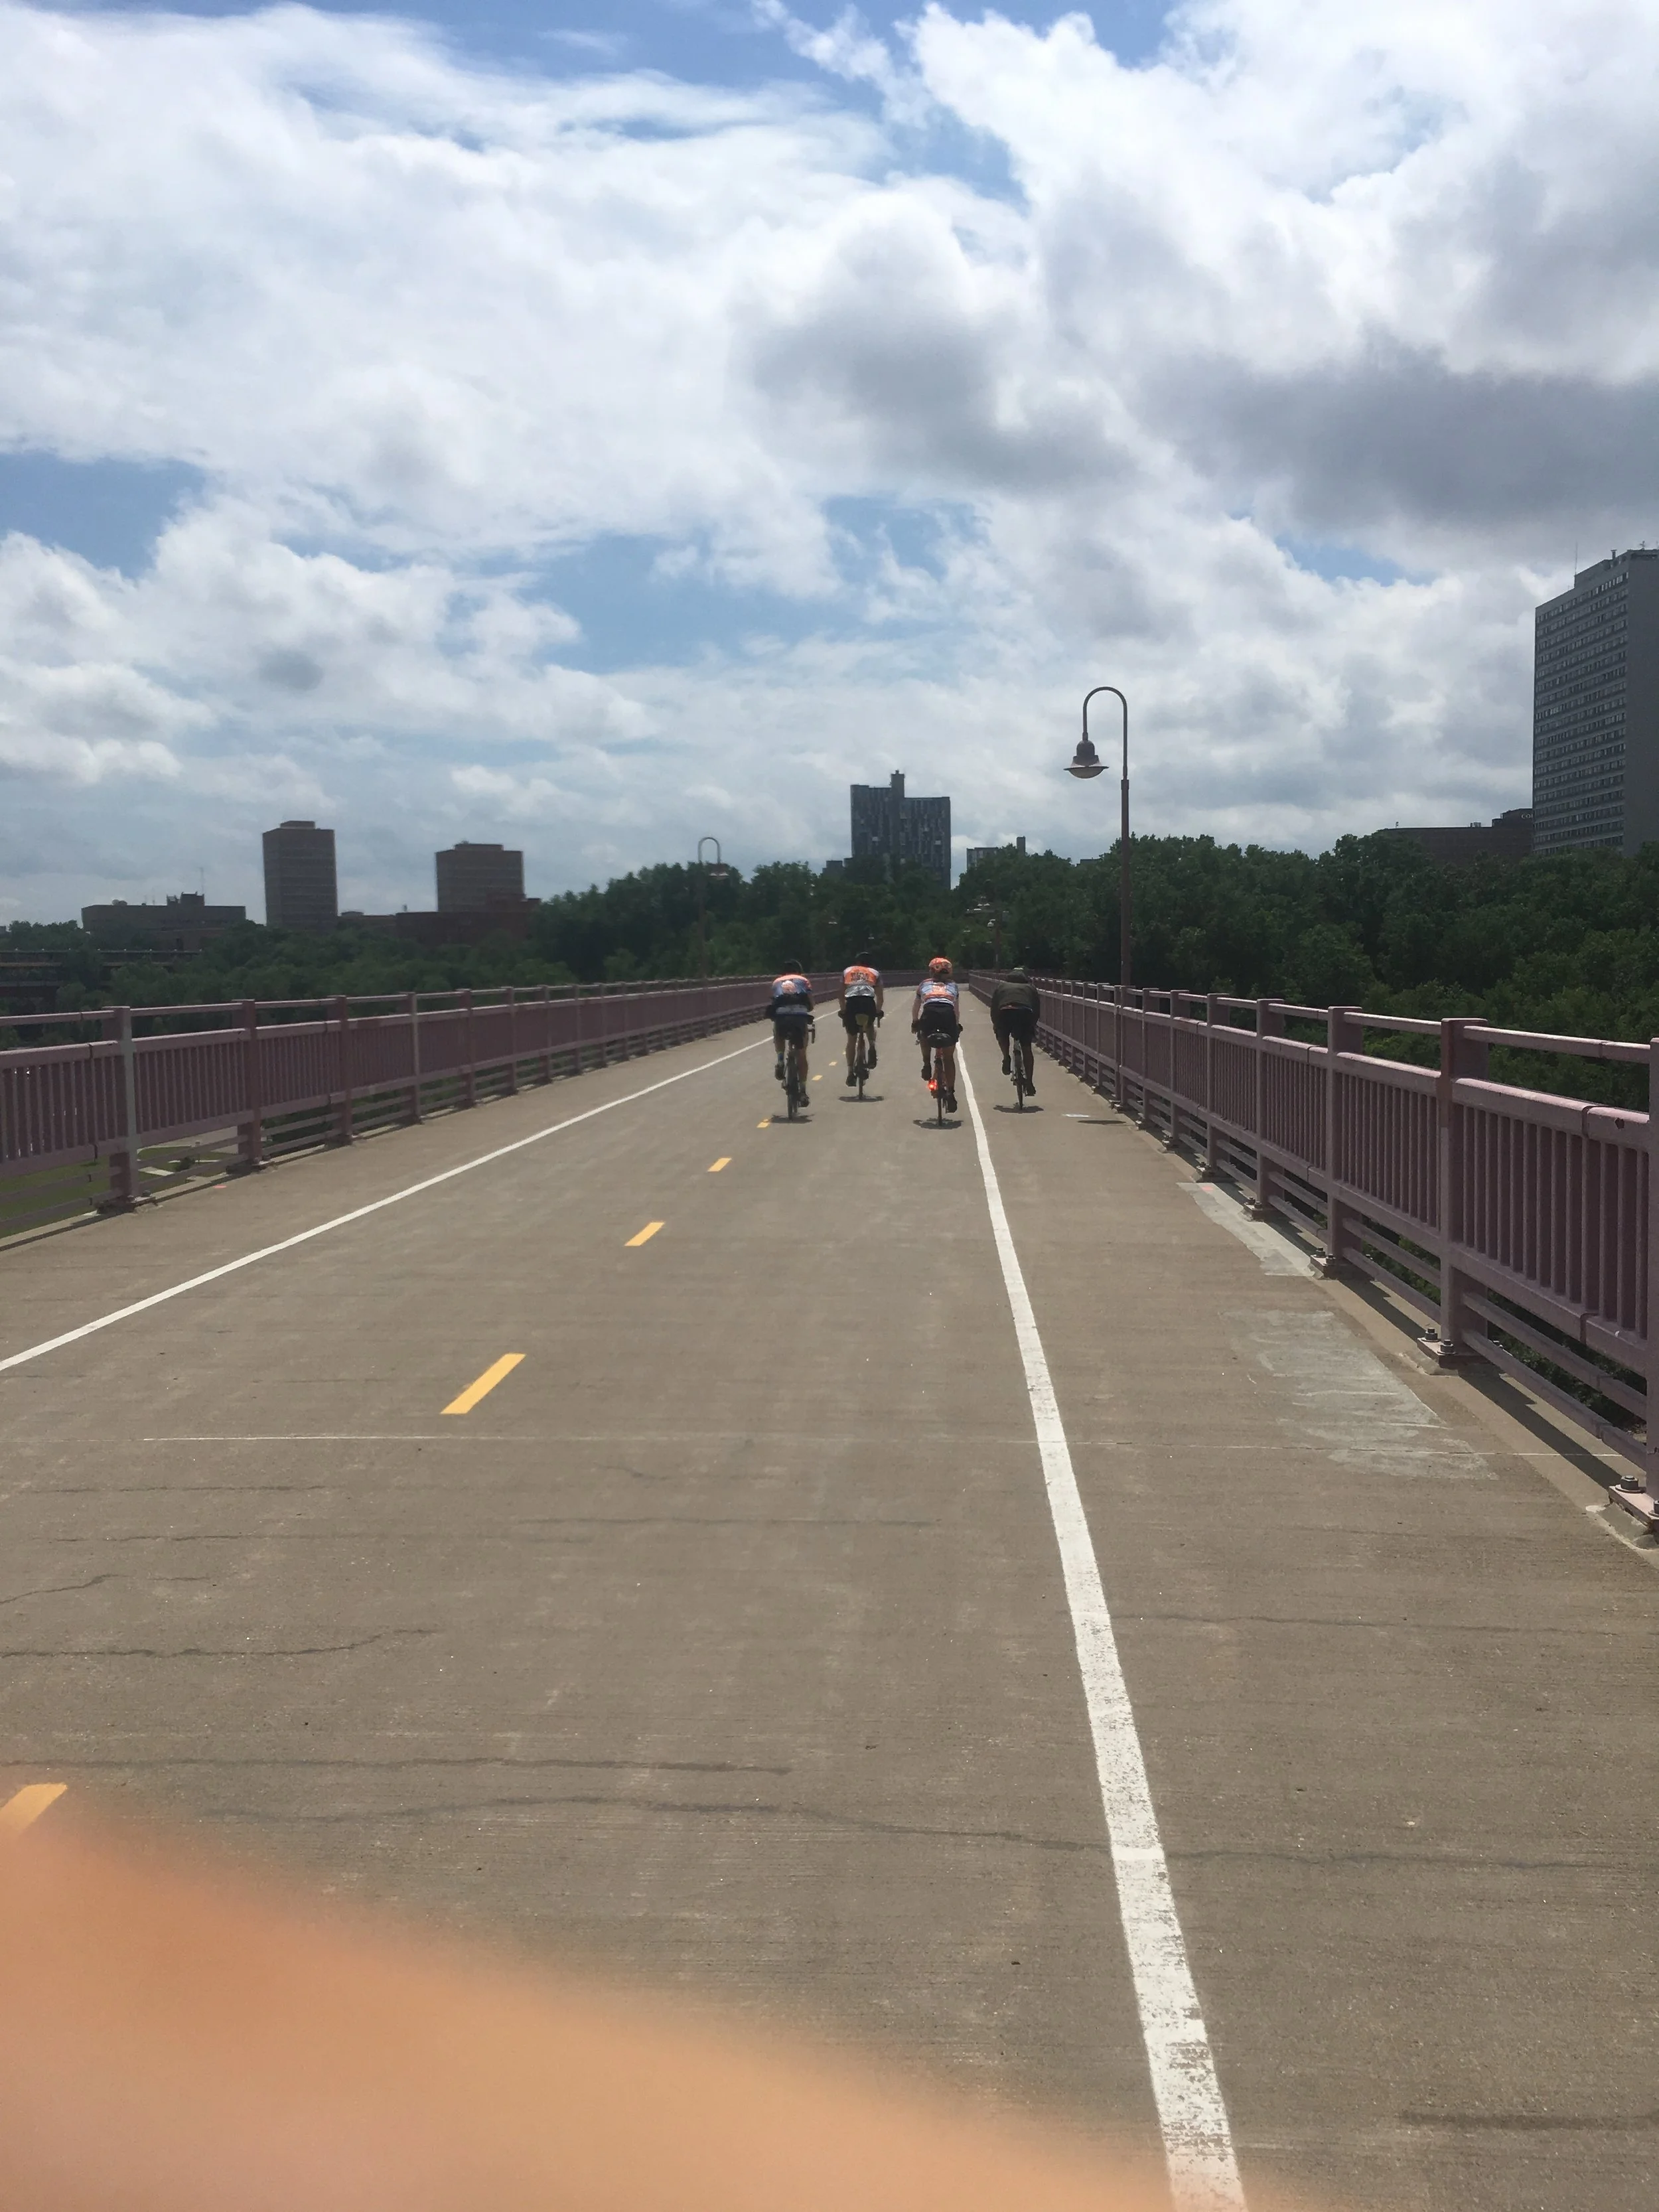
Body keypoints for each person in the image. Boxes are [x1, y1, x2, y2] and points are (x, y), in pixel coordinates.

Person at [911, 956, 962, 1113]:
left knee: (923, 1036)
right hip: (947, 1016)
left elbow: (916, 1006)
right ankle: (951, 1093)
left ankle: (927, 1064)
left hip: (930, 1013)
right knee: (948, 1058)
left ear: (932, 971)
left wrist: (915, 1021)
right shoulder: (953, 986)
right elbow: (956, 1010)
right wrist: (956, 1025)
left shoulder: (924, 984)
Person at [988, 966, 1040, 1093]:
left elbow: (994, 1007)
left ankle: (1006, 1057)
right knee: (1026, 1047)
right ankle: (1029, 1083)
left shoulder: (1001, 987)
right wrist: (1032, 1025)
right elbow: (1036, 1008)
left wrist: (996, 1024)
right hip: (1025, 1013)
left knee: (1002, 1034)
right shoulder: (1030, 988)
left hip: (1005, 1012)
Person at [838, 953, 884, 1082]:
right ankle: (872, 1046)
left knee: (851, 1039)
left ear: (857, 962)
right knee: (869, 1025)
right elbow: (880, 997)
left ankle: (850, 1073)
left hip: (852, 1003)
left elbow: (841, 994)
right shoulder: (874, 973)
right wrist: (878, 1011)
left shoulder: (847, 971)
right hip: (867, 1003)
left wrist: (843, 1010)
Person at [770, 962, 814, 1090]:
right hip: (799, 1017)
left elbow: (774, 1002)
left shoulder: (777, 981)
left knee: (778, 1032)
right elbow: (811, 1004)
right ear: (799, 972)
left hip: (782, 1017)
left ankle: (780, 1060)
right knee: (802, 1054)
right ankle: (803, 1089)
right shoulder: (804, 980)